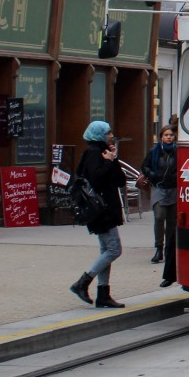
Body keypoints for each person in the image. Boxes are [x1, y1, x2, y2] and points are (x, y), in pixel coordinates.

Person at [68, 121, 127, 308]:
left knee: (106, 251)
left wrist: (113, 159)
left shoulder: (104, 152)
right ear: (99, 135)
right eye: (108, 132)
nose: (111, 135)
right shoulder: (94, 153)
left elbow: (120, 181)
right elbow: (96, 179)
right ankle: (82, 282)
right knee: (114, 250)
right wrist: (108, 161)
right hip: (101, 210)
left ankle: (103, 294)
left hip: (106, 208)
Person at [143, 124, 178, 287]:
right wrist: (152, 175)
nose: (169, 137)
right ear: (161, 137)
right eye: (166, 135)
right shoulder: (154, 151)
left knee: (172, 222)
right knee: (159, 217)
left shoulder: (178, 152)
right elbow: (145, 166)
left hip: (174, 189)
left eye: (171, 135)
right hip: (159, 188)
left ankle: (168, 250)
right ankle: (158, 247)